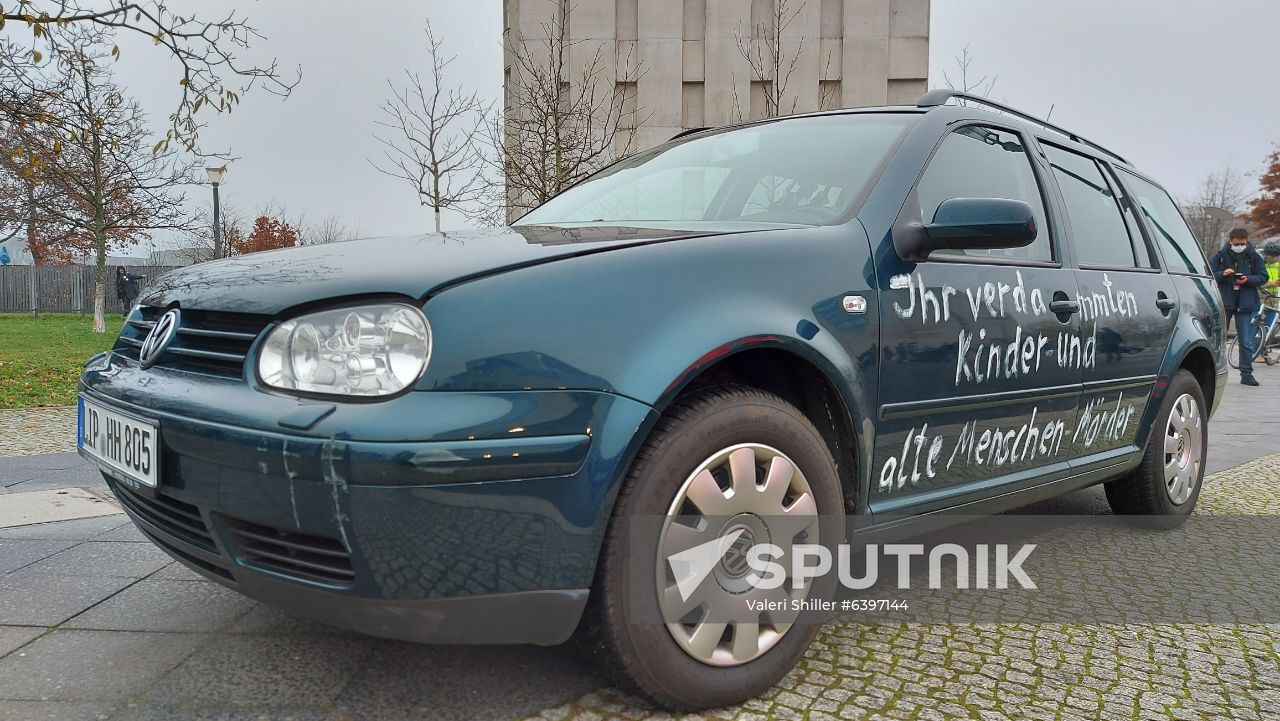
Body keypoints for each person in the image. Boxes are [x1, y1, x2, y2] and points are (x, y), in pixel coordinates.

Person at [1210, 228, 1269, 386]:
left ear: (1246, 241)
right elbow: (1209, 274)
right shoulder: (1220, 256)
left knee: (1245, 341)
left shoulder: (1254, 257)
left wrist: (1247, 279)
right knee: (1219, 339)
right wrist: (1223, 274)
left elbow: (1263, 276)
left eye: (1242, 243)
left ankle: (1246, 374)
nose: (1240, 246)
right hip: (1226, 302)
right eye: (1237, 244)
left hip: (1246, 303)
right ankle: (1213, 372)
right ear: (1230, 241)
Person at [1260, 239, 1280, 364]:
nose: (1270, 258)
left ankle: (1264, 352)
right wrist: (1270, 284)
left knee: (1268, 329)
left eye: (1273, 256)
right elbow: (1258, 281)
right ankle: (1258, 352)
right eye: (1268, 255)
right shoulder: (1260, 264)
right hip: (1261, 300)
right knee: (1259, 328)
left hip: (1274, 301)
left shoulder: (1278, 265)